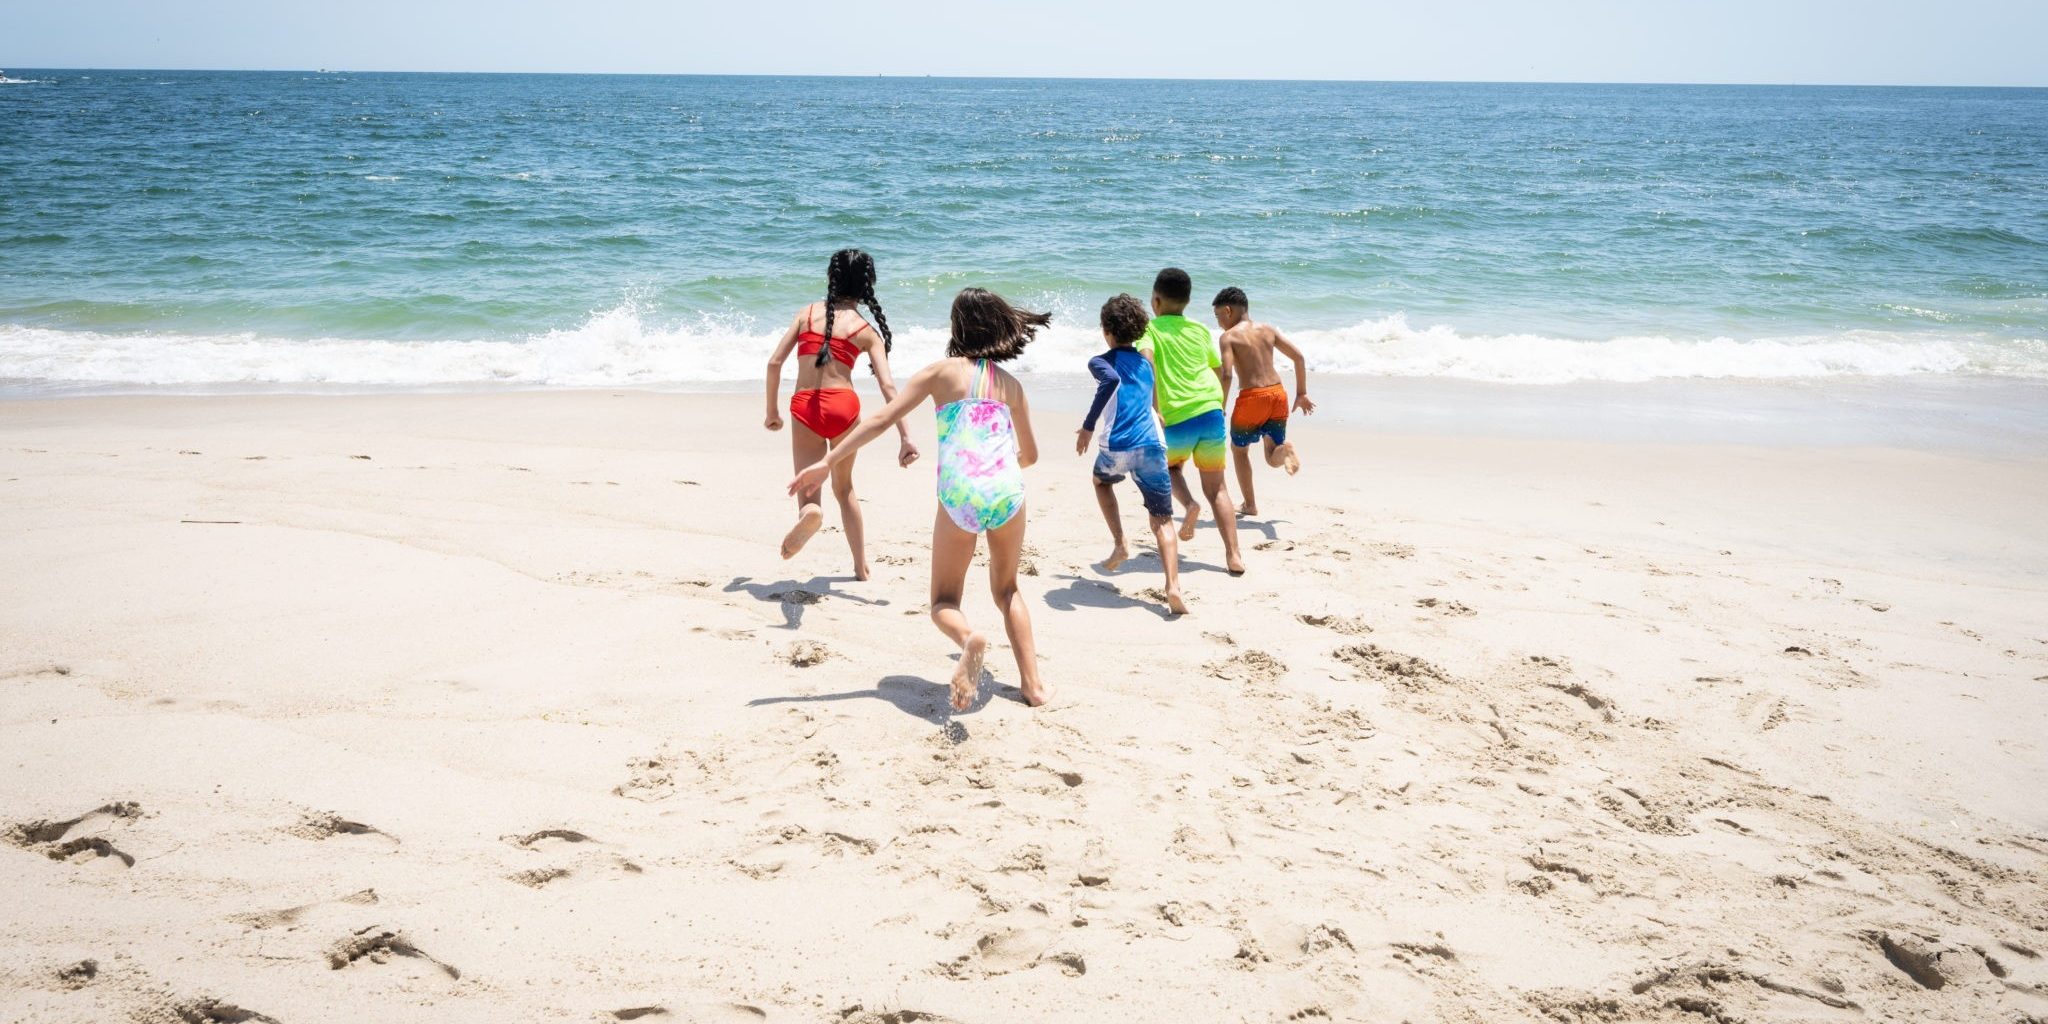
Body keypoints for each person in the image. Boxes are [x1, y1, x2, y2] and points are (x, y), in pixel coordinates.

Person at [789, 288, 1050, 710]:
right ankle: (1034, 687)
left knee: (944, 602)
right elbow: (1032, 456)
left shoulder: (939, 373)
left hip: (959, 493)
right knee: (1007, 590)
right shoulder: (1012, 386)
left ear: (957, 327)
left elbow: (881, 418)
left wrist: (828, 461)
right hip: (1006, 490)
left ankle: (968, 638)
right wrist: (999, 466)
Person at [763, 248, 918, 579]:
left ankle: (812, 511)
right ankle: (860, 566)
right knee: (844, 487)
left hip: (804, 405)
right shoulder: (865, 330)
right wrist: (905, 437)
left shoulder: (806, 314)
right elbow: (889, 388)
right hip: (843, 408)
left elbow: (774, 363)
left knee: (808, 487)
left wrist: (771, 412)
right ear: (867, 285)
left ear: (831, 279)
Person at [1077, 294, 1188, 615]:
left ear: (1106, 331)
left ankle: (1120, 542)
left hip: (1119, 445)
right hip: (1153, 445)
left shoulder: (1100, 362)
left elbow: (1111, 380)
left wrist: (1087, 427)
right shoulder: (1146, 362)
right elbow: (1149, 391)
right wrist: (1158, 411)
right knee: (1163, 521)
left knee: (1101, 482)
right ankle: (1173, 587)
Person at [1139, 268, 1245, 575]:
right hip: (1211, 411)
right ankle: (1234, 555)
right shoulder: (1199, 329)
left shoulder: (1150, 330)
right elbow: (1219, 371)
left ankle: (1189, 506)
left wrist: (1152, 405)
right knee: (1219, 489)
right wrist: (1219, 406)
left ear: (1155, 300)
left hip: (1176, 416)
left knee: (1169, 468)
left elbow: (1146, 363)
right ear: (1187, 301)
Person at [1214, 286, 1314, 518]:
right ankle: (1285, 451)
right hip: (1278, 394)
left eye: (1218, 316)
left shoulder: (1228, 337)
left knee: (1239, 450)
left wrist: (1220, 406)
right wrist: (1301, 393)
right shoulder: (1267, 329)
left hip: (1252, 398)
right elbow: (1298, 357)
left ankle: (1250, 505)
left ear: (1228, 311)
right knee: (1271, 455)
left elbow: (1227, 375)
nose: (1219, 323)